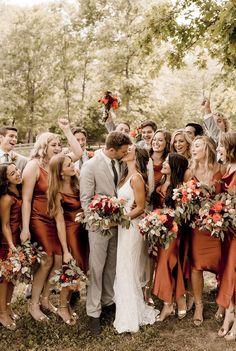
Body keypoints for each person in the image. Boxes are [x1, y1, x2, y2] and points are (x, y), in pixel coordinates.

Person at [20, 118, 83, 322]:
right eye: (53, 145)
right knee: (46, 261)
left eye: (58, 145)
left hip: (56, 218)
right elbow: (27, 199)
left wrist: (66, 130)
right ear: (43, 147)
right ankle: (33, 304)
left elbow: (79, 152)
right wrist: (25, 228)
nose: (58, 148)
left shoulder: (56, 165)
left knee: (57, 261)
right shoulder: (33, 166)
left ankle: (46, 299)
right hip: (38, 219)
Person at [80, 131, 132, 335]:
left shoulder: (120, 163)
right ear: (112, 150)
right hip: (98, 227)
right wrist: (100, 222)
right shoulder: (90, 166)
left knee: (112, 266)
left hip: (118, 225)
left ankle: (108, 301)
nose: (125, 154)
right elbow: (86, 200)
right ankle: (93, 312)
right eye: (123, 151)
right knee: (96, 268)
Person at [113, 145, 159, 333]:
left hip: (131, 228)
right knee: (123, 268)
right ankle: (126, 310)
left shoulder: (137, 178)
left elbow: (140, 207)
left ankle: (130, 317)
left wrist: (119, 220)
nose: (125, 152)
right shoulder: (125, 176)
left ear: (136, 156)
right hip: (124, 227)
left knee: (129, 268)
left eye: (129, 150)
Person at [47, 153, 89, 325]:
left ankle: (67, 305)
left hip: (84, 231)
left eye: (72, 163)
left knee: (80, 270)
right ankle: (63, 307)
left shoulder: (76, 181)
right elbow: (59, 223)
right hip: (70, 233)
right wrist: (65, 250)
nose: (73, 166)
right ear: (60, 172)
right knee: (71, 270)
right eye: (68, 165)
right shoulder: (56, 192)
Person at [189, 136, 225, 326]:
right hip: (197, 227)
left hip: (217, 226)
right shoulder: (190, 172)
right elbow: (183, 199)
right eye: (193, 146)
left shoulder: (221, 169)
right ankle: (199, 305)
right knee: (196, 265)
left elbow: (227, 196)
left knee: (222, 264)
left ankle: (222, 303)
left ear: (208, 148)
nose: (193, 149)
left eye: (197, 146)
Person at [152, 154, 189, 321]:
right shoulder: (161, 181)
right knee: (168, 264)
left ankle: (169, 303)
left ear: (175, 167)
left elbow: (180, 215)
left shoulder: (179, 187)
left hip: (172, 231)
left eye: (168, 162)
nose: (164, 163)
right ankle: (178, 300)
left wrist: (165, 221)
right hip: (159, 229)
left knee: (167, 263)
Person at [216, 132, 236, 340]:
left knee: (234, 272)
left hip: (235, 229)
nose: (218, 149)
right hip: (226, 230)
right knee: (227, 271)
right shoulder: (226, 168)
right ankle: (229, 312)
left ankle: (234, 318)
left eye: (221, 146)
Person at [0, 163, 22, 330]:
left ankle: (8, 306)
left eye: (17, 170)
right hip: (7, 241)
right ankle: (2, 313)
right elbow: (5, 224)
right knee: (4, 279)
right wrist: (11, 245)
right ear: (5, 179)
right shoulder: (6, 198)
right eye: (12, 173)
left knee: (13, 277)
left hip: (17, 240)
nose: (17, 173)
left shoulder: (19, 191)